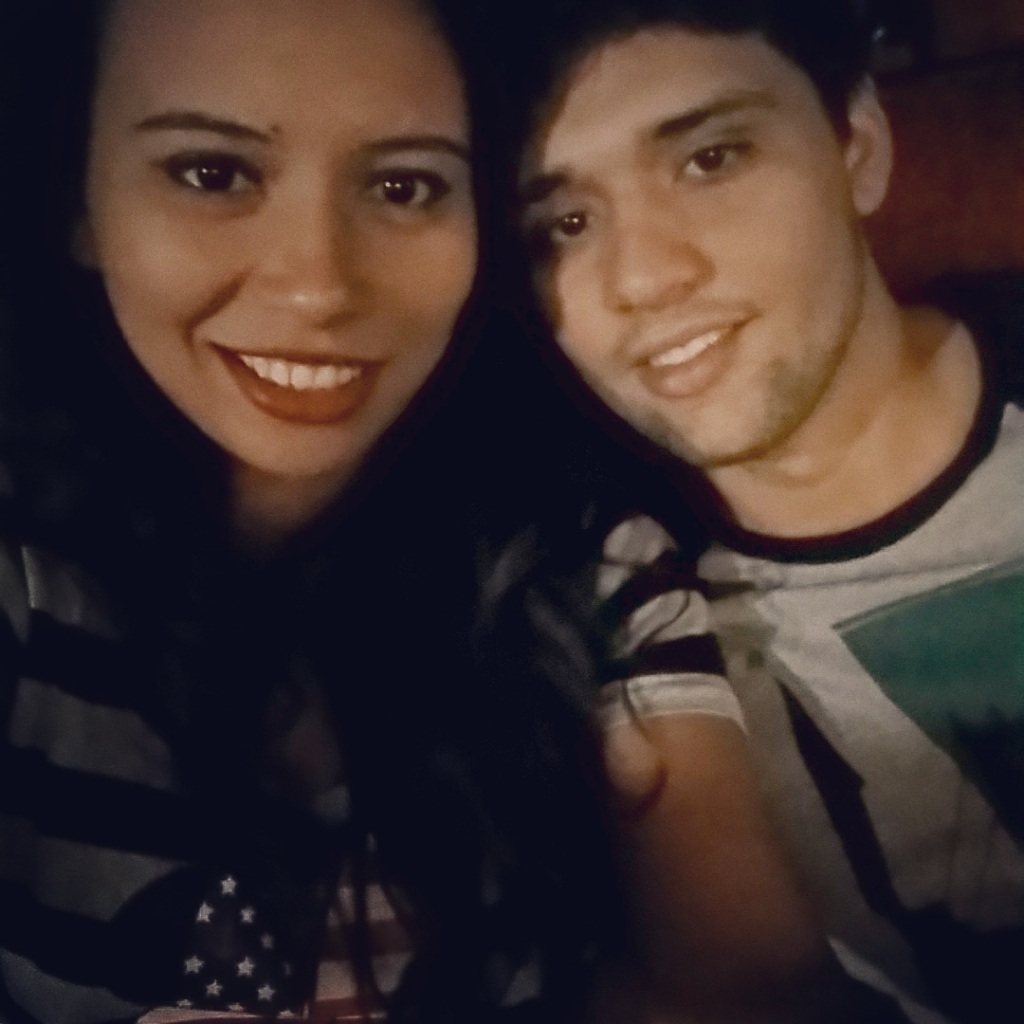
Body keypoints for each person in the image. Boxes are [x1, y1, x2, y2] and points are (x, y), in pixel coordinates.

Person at [0, 1, 627, 1021]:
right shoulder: (27, 574)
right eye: (213, 173)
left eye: (403, 186)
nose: (321, 285)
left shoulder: (566, 562)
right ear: (78, 199)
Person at [508, 0, 1024, 1021]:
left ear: (858, 145)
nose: (646, 276)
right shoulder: (588, 589)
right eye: (564, 224)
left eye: (711, 159)